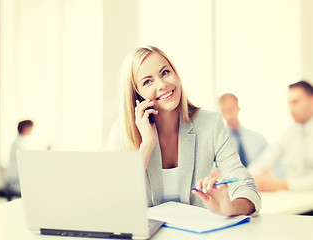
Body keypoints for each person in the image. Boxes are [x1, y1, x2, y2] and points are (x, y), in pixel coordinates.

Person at [109, 46, 260, 216]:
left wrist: (231, 208)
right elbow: (114, 199)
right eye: (147, 81)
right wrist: (147, 144)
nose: (162, 84)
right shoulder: (121, 132)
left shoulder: (209, 123)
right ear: (136, 94)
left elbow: (245, 185)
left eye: (165, 72)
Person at [249, 81, 313, 191]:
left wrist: (283, 185)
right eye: (289, 103)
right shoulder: (290, 132)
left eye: (296, 102)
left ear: (311, 100)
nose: (291, 109)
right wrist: (247, 178)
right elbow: (265, 160)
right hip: (297, 200)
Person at [0, 120, 34, 200]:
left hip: (14, 179)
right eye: (30, 128)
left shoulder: (20, 142)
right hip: (12, 181)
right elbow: (24, 162)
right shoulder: (18, 144)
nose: (31, 130)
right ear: (25, 128)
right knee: (33, 191)